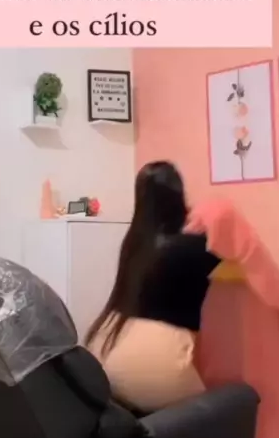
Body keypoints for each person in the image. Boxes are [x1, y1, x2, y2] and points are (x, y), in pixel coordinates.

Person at [85, 161, 220, 412]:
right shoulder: (193, 246)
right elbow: (231, 252)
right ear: (178, 196)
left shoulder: (133, 243)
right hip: (155, 362)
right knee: (230, 404)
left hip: (105, 348)